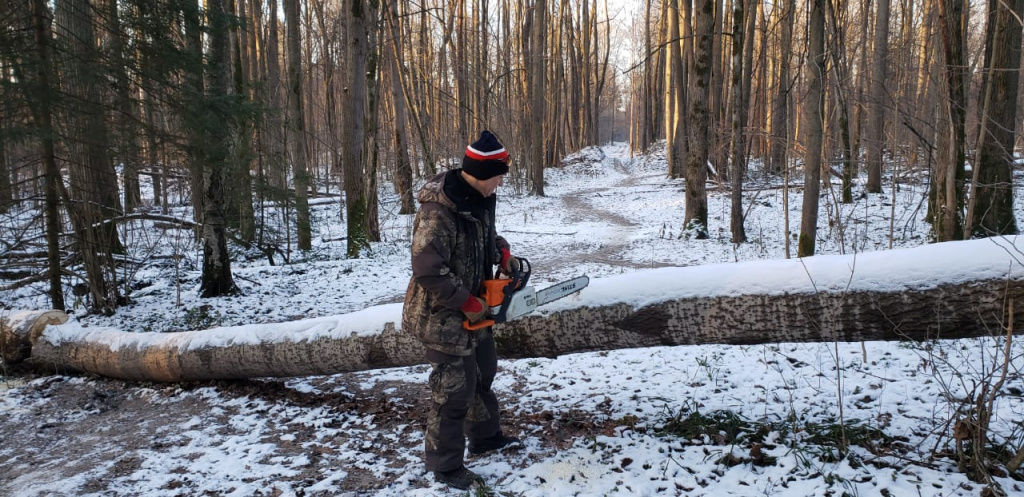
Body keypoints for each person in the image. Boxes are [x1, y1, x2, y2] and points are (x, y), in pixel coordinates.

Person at [402, 130, 523, 490]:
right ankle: (445, 465)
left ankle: (486, 437)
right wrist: (469, 303)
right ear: (484, 173)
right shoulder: (439, 211)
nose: (502, 182)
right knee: (454, 391)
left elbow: (485, 237)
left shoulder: (479, 198)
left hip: (475, 308)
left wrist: (501, 251)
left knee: (484, 372)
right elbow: (427, 271)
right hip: (442, 314)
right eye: (500, 174)